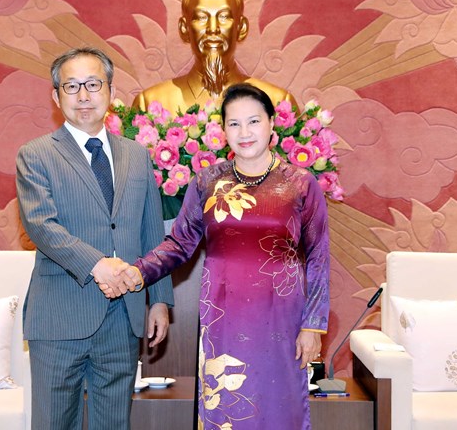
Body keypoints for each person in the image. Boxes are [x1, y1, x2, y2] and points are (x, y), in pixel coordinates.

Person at [104, 83, 330, 429]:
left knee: (281, 408)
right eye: (234, 124)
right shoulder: (207, 182)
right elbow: (179, 244)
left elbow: (317, 256)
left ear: (272, 124)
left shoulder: (299, 183)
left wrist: (313, 324)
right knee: (227, 406)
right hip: (223, 315)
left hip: (282, 316)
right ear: (222, 130)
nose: (245, 132)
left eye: (253, 121)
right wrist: (137, 273)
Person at [16, 47, 174, 430]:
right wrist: (97, 264)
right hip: (59, 314)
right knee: (55, 423)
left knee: (114, 423)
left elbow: (152, 231)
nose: (83, 95)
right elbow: (41, 226)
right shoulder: (35, 155)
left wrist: (160, 300)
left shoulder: (137, 155)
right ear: (56, 96)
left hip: (123, 315)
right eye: (71, 86)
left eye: (92, 84)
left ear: (110, 91)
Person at [132, 0, 298, 112]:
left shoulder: (278, 103)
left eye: (224, 17)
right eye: (201, 18)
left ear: (241, 28)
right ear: (184, 28)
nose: (213, 29)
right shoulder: (150, 104)